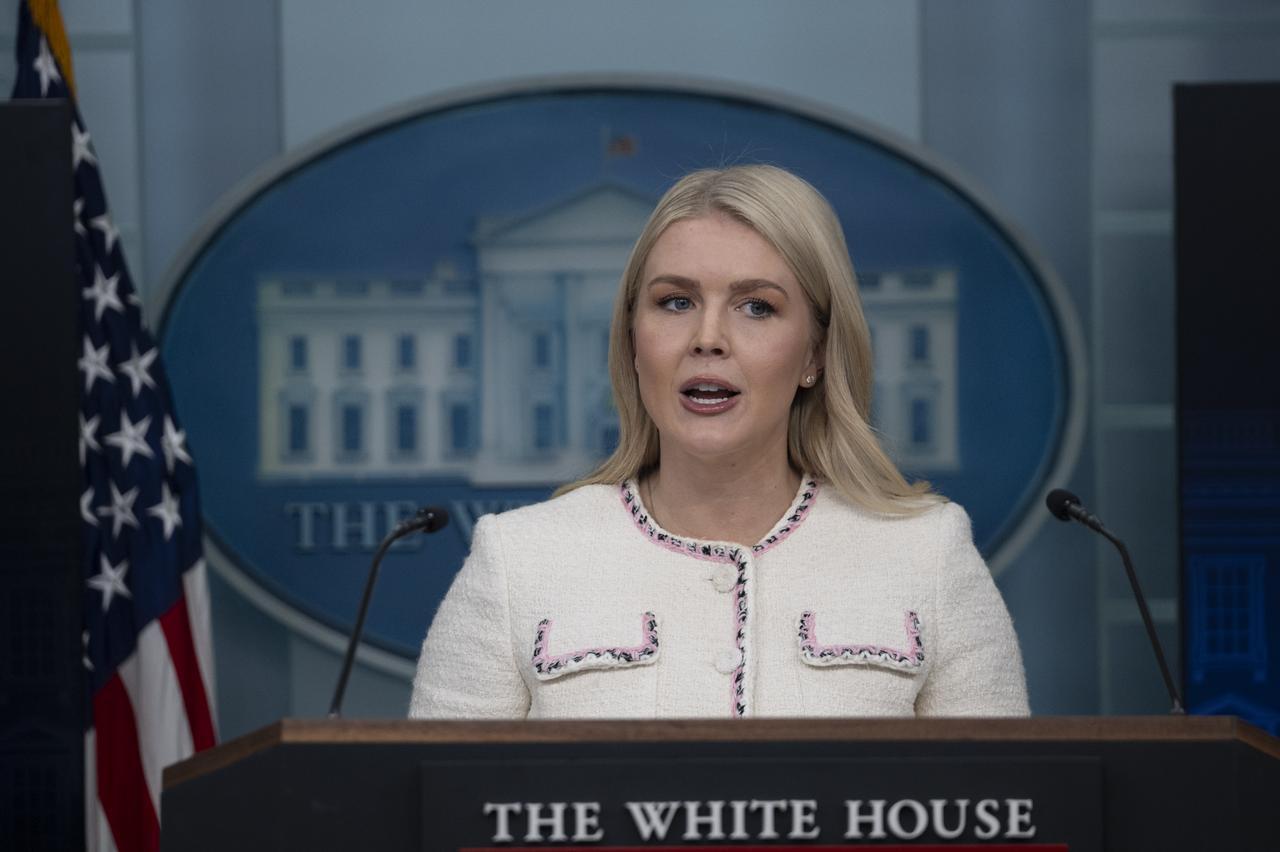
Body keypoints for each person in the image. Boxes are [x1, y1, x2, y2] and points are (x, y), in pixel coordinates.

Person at [409, 164, 1029, 719]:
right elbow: (438, 817)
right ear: (632, 339)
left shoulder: (927, 554)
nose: (707, 338)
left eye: (756, 307)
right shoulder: (517, 561)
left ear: (815, 350)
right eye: (675, 302)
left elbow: (1001, 815)